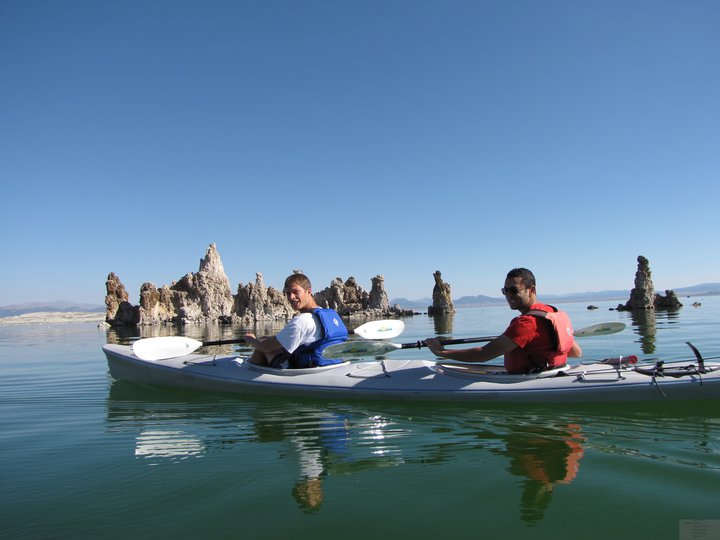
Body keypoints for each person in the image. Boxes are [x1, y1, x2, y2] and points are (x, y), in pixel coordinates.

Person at [424, 268, 582, 374]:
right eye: (505, 291)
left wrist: (441, 352)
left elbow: (484, 354)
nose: (508, 296)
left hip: (534, 379)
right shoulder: (553, 312)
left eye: (514, 290)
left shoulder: (526, 323)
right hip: (556, 370)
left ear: (531, 290)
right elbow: (575, 352)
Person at [243, 273, 348, 369]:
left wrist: (250, 339)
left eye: (295, 292)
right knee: (265, 339)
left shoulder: (301, 321)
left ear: (309, 292)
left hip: (305, 367)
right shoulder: (330, 315)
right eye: (288, 293)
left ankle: (252, 373)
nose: (291, 297)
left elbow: (265, 347)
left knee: (261, 343)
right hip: (330, 363)